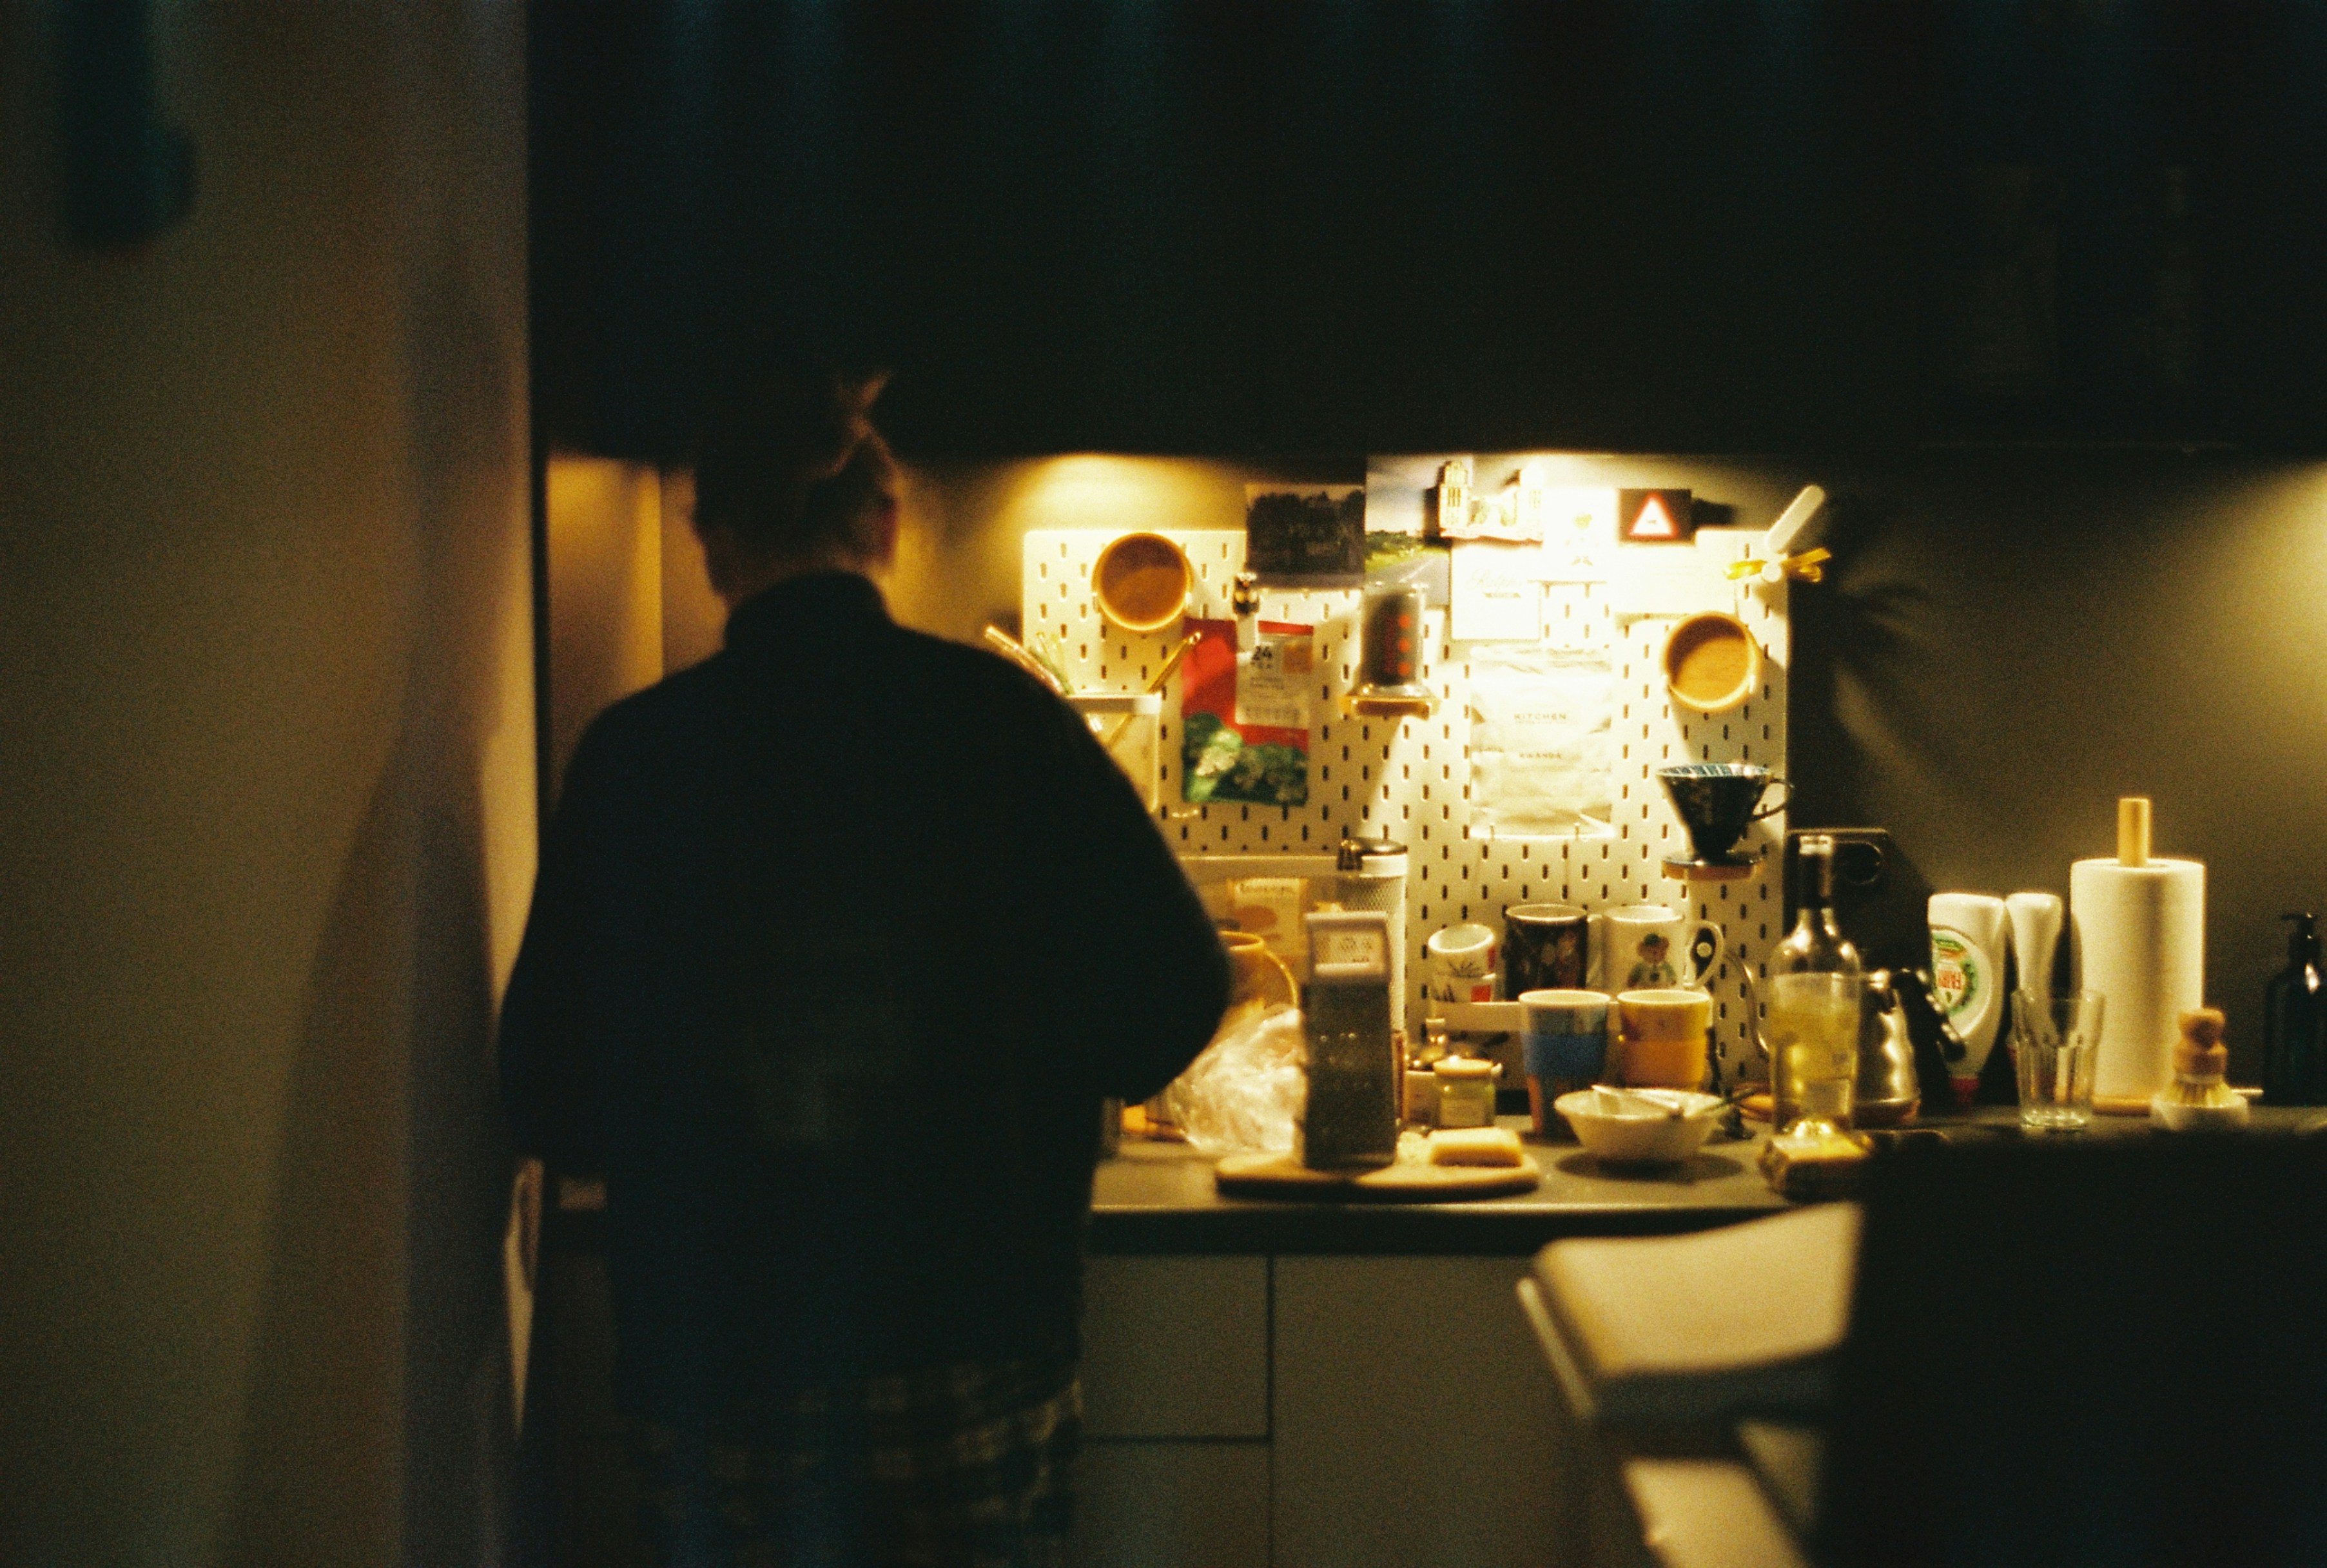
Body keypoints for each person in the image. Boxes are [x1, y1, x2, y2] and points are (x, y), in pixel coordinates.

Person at [499, 358, 1230, 1566]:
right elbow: (1179, 990)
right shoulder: (1002, 723)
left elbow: (545, 1088)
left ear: (713, 543)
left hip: (718, 1353)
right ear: (884, 526)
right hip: (975, 1330)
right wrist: (1043, 1081)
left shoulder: (638, 756)